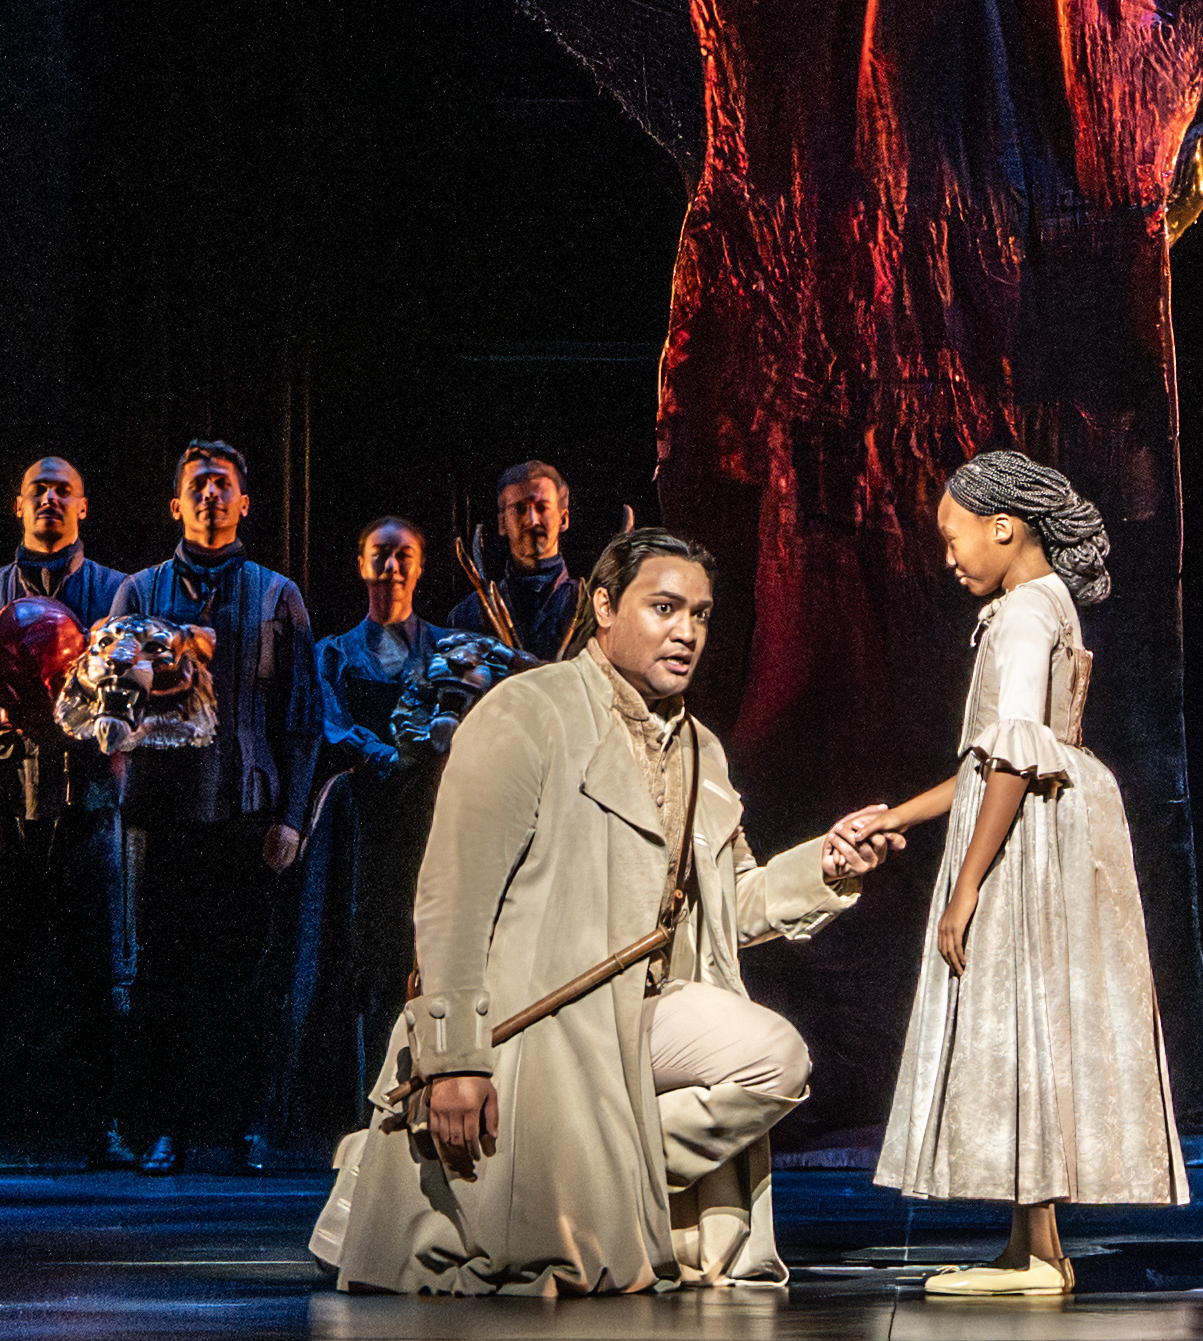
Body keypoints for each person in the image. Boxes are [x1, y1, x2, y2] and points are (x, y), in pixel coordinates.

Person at [311, 528, 904, 1295]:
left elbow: (731, 904)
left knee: (773, 1059)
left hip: (642, 1010)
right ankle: (452, 1175)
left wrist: (823, 867)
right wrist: (452, 1054)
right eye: (663, 607)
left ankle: (590, 1182)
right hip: (541, 1010)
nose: (686, 630)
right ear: (602, 605)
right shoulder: (529, 710)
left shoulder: (702, 751)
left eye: (699, 613)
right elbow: (452, 895)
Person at [847, 452, 1190, 1296]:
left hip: (1029, 833)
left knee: (1018, 1016)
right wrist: (897, 814)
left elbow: (1009, 761)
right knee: (1026, 1020)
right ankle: (1030, 1244)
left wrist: (965, 886)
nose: (949, 554)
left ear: (1003, 526)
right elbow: (989, 761)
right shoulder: (1040, 606)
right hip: (1044, 816)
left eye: (953, 533)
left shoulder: (1023, 616)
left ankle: (1037, 1254)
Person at [0, 455, 139, 1166]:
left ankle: (107, 1125)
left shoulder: (117, 592)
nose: (49, 499)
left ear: (82, 507)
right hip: (1, 800)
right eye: (37, 490)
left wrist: (88, 712)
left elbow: (147, 689)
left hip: (89, 802)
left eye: (62, 490)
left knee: (102, 970)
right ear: (18, 505)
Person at [116, 438, 320, 1173]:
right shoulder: (138, 592)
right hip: (163, 808)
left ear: (243, 503)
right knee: (163, 972)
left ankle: (242, 1128)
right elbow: (106, 704)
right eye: (197, 484)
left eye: (222, 484)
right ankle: (163, 1126)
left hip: (246, 807)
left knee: (242, 977)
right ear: (176, 504)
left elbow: (302, 716)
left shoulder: (276, 593)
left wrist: (292, 815)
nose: (209, 494)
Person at [287, 519, 466, 1145]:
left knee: (425, 950)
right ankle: (354, 1112)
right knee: (354, 952)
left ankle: (422, 1099)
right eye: (380, 555)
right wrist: (382, 753)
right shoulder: (333, 651)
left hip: (428, 819)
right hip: (360, 821)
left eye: (404, 556)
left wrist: (425, 750)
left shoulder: (448, 647)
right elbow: (328, 722)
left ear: (419, 568)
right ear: (362, 565)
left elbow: (462, 714)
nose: (392, 566)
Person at [442, 459, 582, 660]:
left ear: (564, 518)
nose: (532, 520)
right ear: (502, 523)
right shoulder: (468, 615)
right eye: (520, 508)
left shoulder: (592, 607)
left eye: (542, 507)